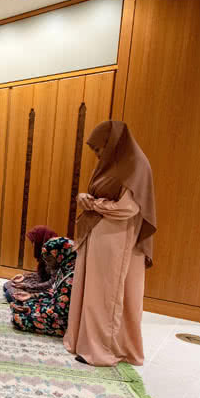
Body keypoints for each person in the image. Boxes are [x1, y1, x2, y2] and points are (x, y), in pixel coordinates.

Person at [64, 120, 157, 367]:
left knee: (107, 294)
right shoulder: (112, 166)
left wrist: (93, 204)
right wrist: (87, 198)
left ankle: (101, 351)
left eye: (99, 149)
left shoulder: (136, 165)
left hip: (118, 239)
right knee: (95, 290)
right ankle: (85, 341)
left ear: (113, 143)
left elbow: (128, 208)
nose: (97, 155)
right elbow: (102, 196)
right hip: (101, 237)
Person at [10, 237, 77, 336]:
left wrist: (31, 310)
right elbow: (54, 292)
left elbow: (60, 312)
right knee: (23, 301)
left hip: (62, 320)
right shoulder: (64, 267)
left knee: (18, 318)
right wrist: (31, 296)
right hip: (53, 306)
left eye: (49, 260)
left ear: (59, 256)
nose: (47, 264)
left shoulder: (71, 276)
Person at [3, 225, 59, 303]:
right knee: (7, 285)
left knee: (9, 294)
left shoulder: (53, 257)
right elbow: (43, 274)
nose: (33, 245)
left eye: (34, 242)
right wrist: (24, 276)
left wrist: (27, 286)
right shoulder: (45, 253)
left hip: (49, 289)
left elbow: (52, 283)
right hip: (43, 282)